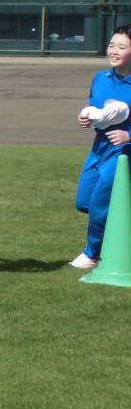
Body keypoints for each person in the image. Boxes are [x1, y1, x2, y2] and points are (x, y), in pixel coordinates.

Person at [70, 24, 131, 269]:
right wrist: (86, 117)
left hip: (123, 153)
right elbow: (96, 109)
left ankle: (92, 253)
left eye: (122, 47)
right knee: (84, 201)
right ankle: (120, 228)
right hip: (99, 148)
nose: (114, 51)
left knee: (100, 203)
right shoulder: (99, 77)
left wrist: (128, 135)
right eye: (111, 45)